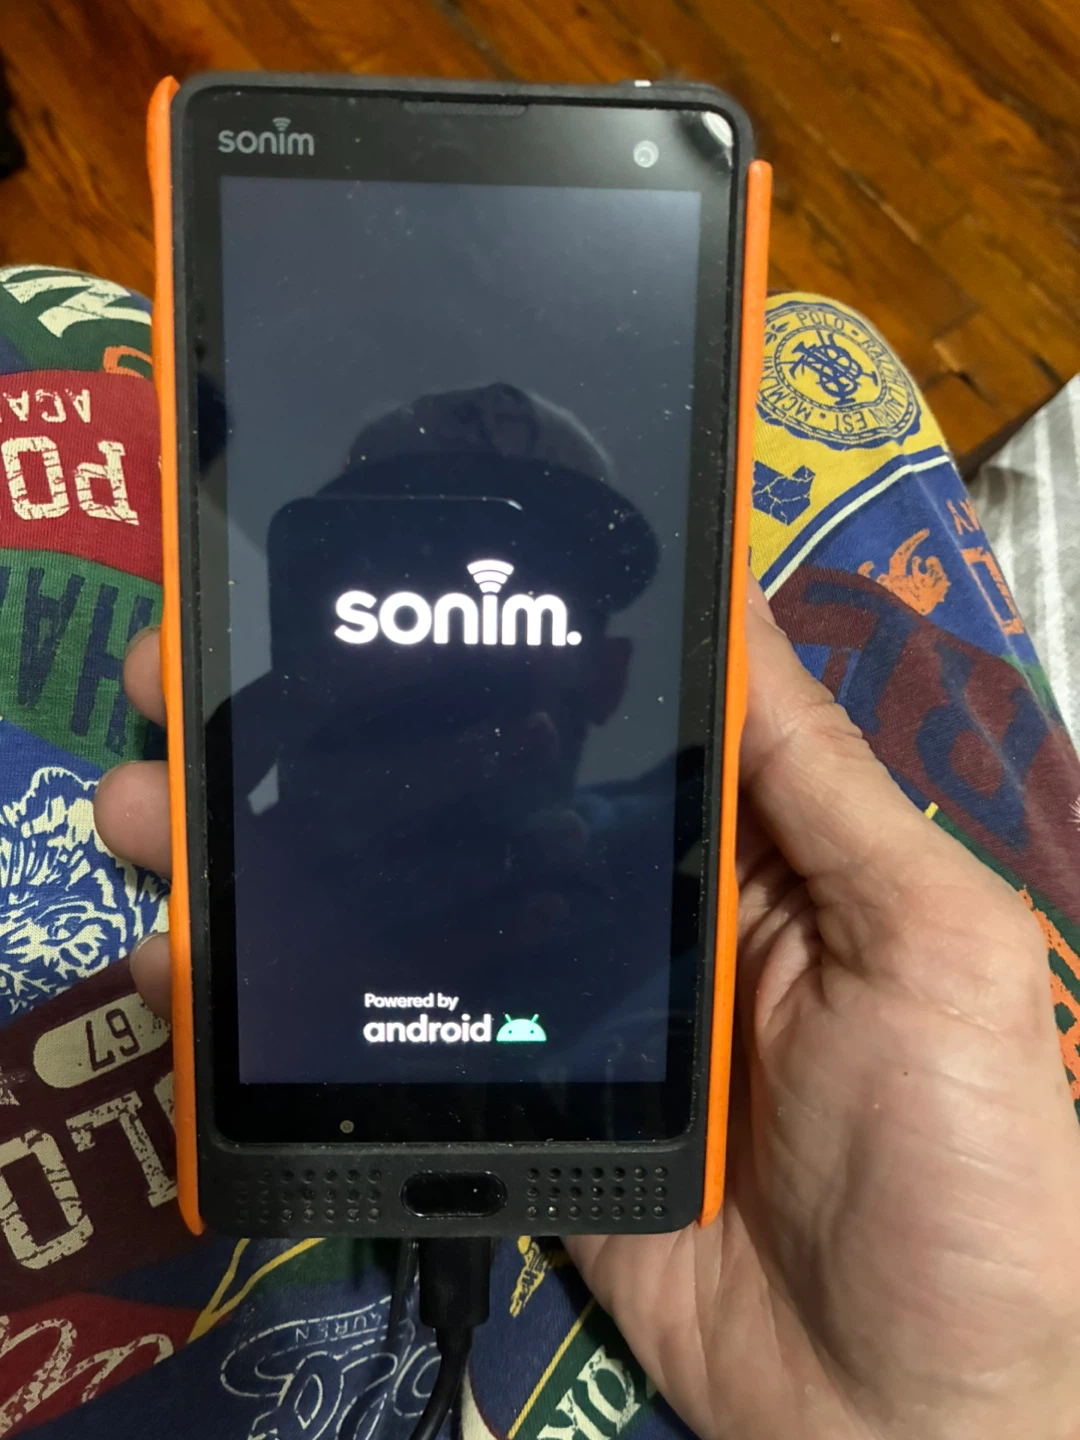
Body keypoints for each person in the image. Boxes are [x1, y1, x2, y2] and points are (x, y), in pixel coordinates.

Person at [2, 265, 1079, 1439]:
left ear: (612, 673)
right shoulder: (273, 880)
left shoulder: (705, 898)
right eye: (406, 582)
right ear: (314, 632)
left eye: (530, 606)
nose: (461, 655)